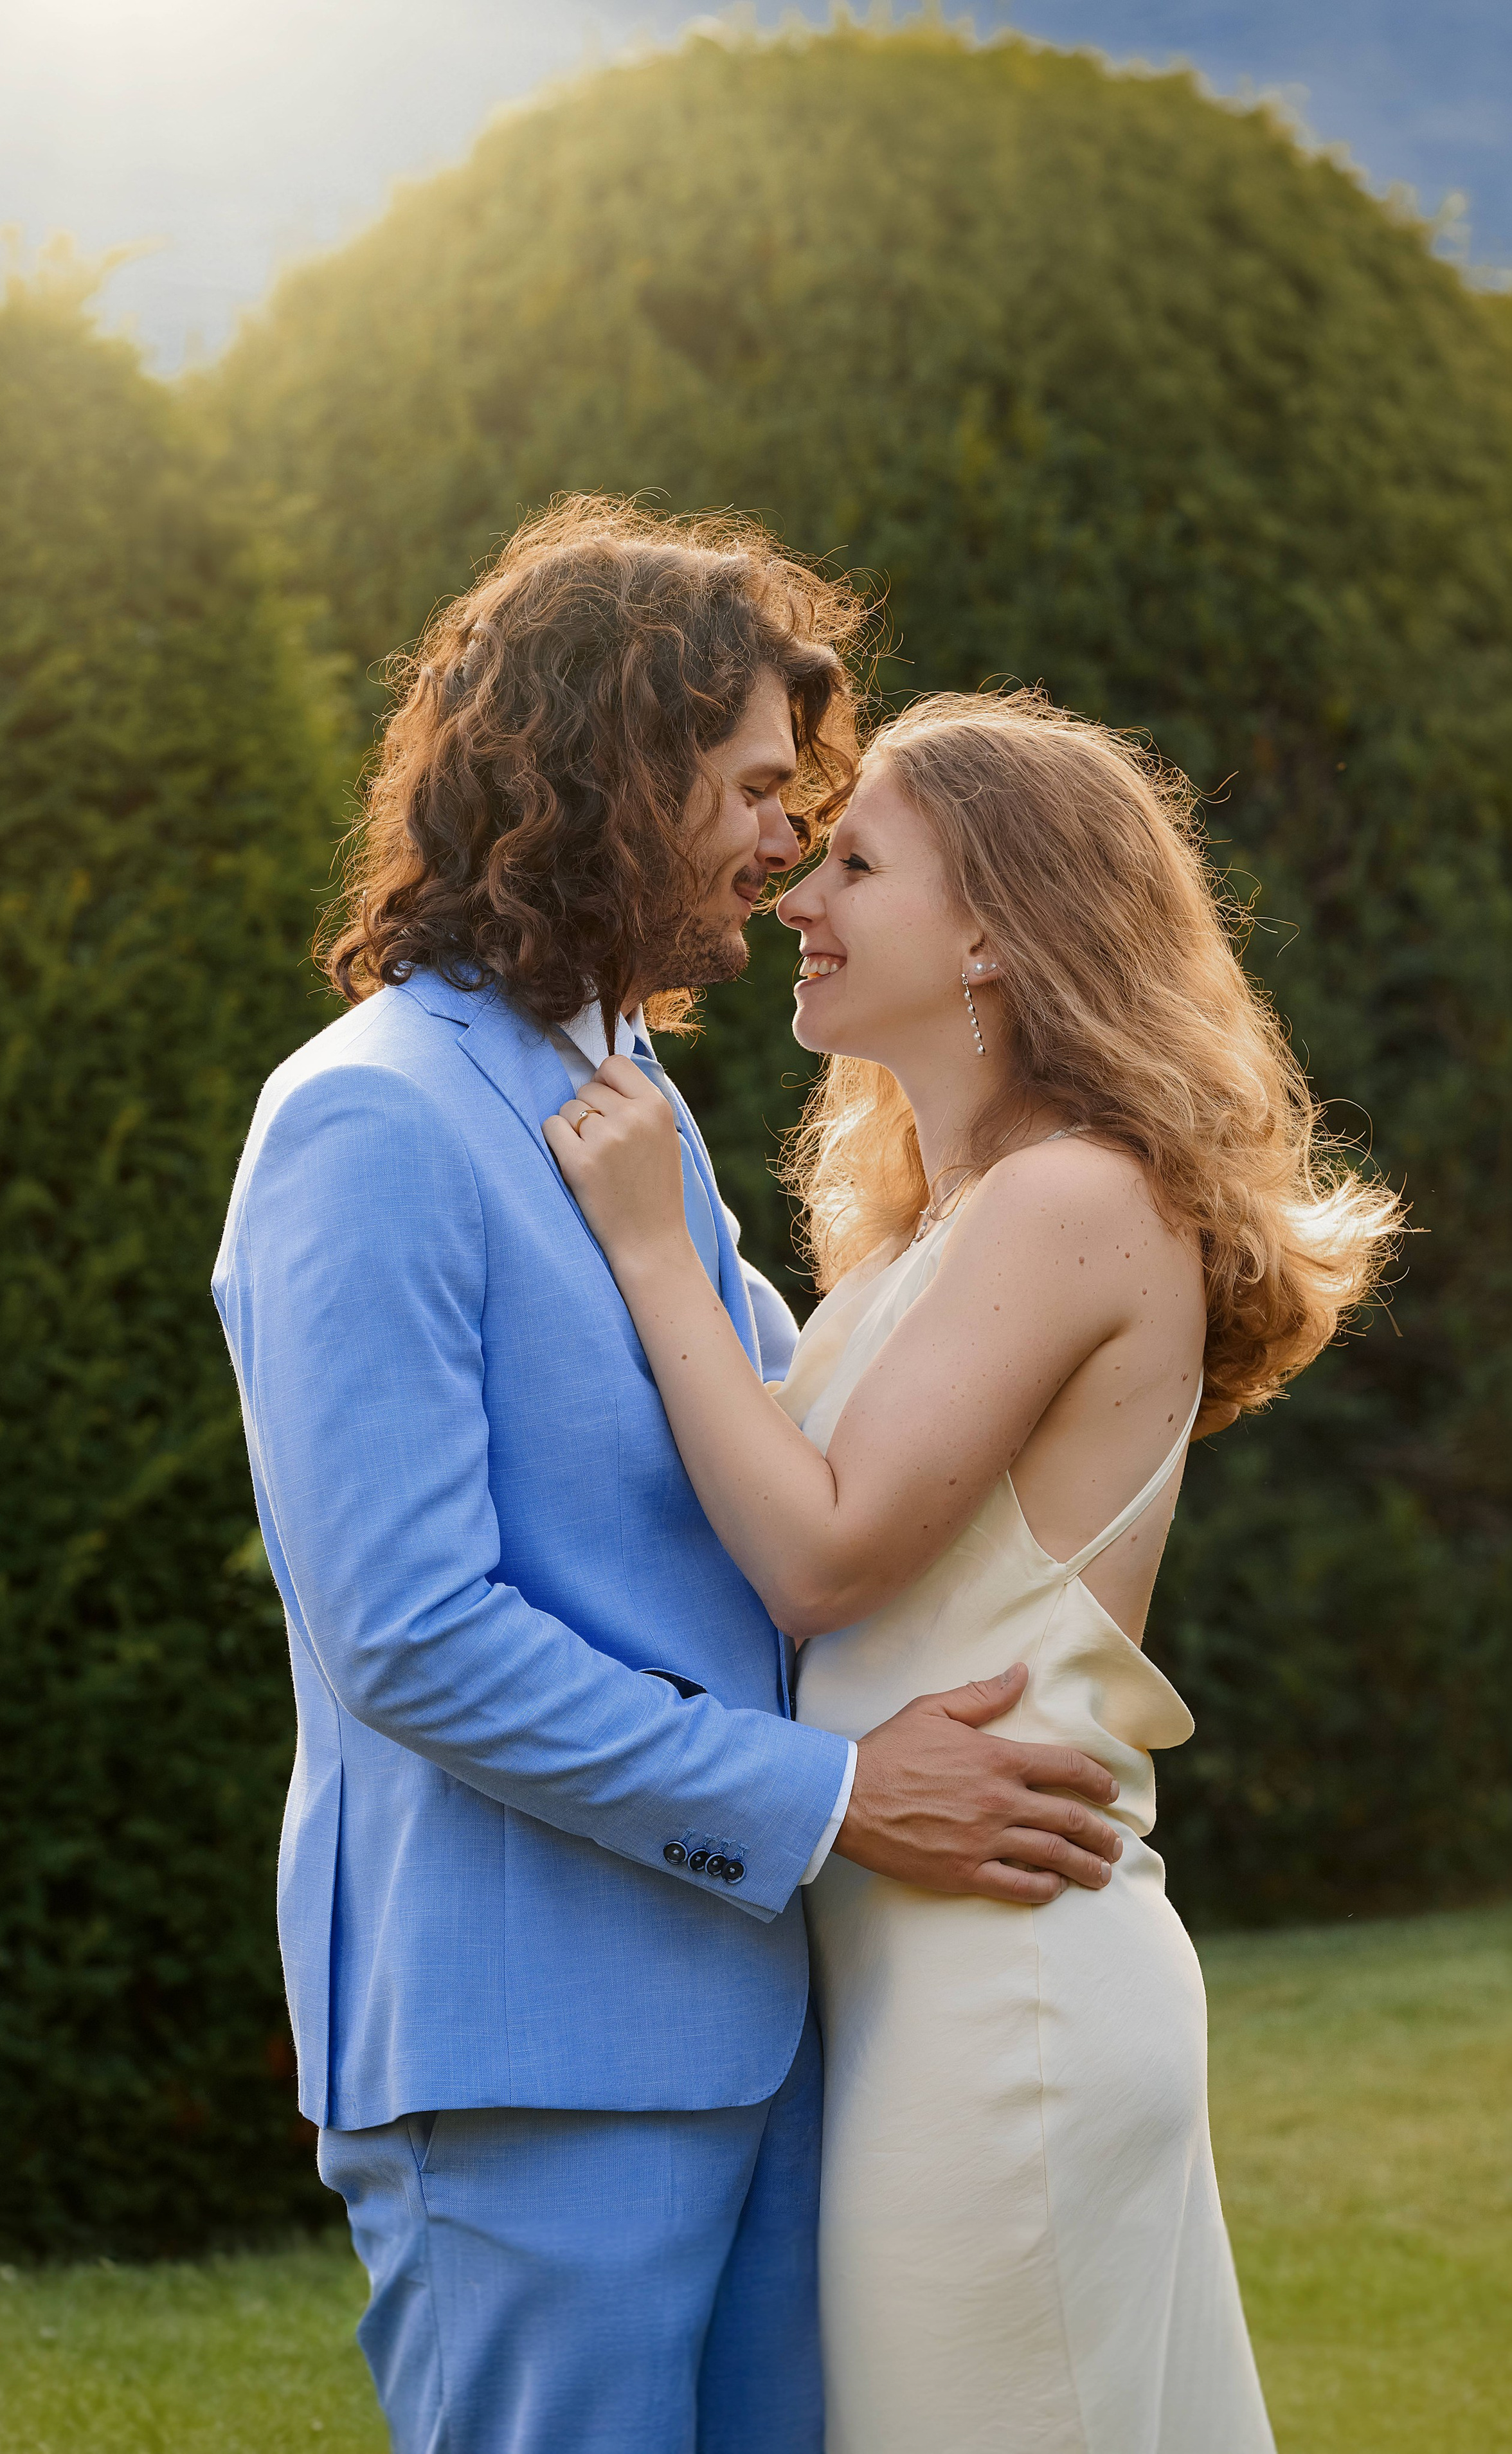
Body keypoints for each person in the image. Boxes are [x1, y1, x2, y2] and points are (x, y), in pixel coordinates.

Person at [212, 503, 1130, 2454]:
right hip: (528, 2061)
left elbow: (791, 1474)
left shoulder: (627, 1101)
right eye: (751, 788)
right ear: (614, 775)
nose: (785, 840)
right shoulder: (368, 1120)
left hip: (754, 2027)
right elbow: (413, 1637)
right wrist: (838, 1798)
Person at [548, 687, 1400, 2453]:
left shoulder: (1073, 1198)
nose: (797, 893)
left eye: (858, 865)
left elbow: (820, 1558)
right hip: (921, 1981)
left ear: (998, 928)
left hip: (1005, 1999)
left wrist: (649, 1254)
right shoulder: (930, 1237)